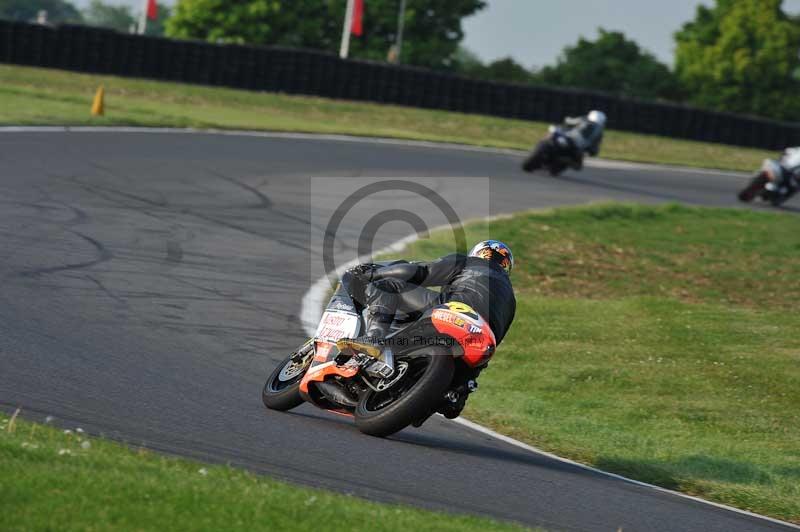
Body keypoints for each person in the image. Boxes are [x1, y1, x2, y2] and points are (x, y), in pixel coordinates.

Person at [342, 240, 516, 418]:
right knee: (470, 372)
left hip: (454, 310)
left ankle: (374, 338)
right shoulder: (511, 301)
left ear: (478, 253)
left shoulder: (470, 263)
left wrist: (373, 273)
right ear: (506, 266)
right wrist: (466, 381)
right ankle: (456, 394)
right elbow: (492, 342)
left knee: (389, 286)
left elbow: (421, 271)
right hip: (478, 338)